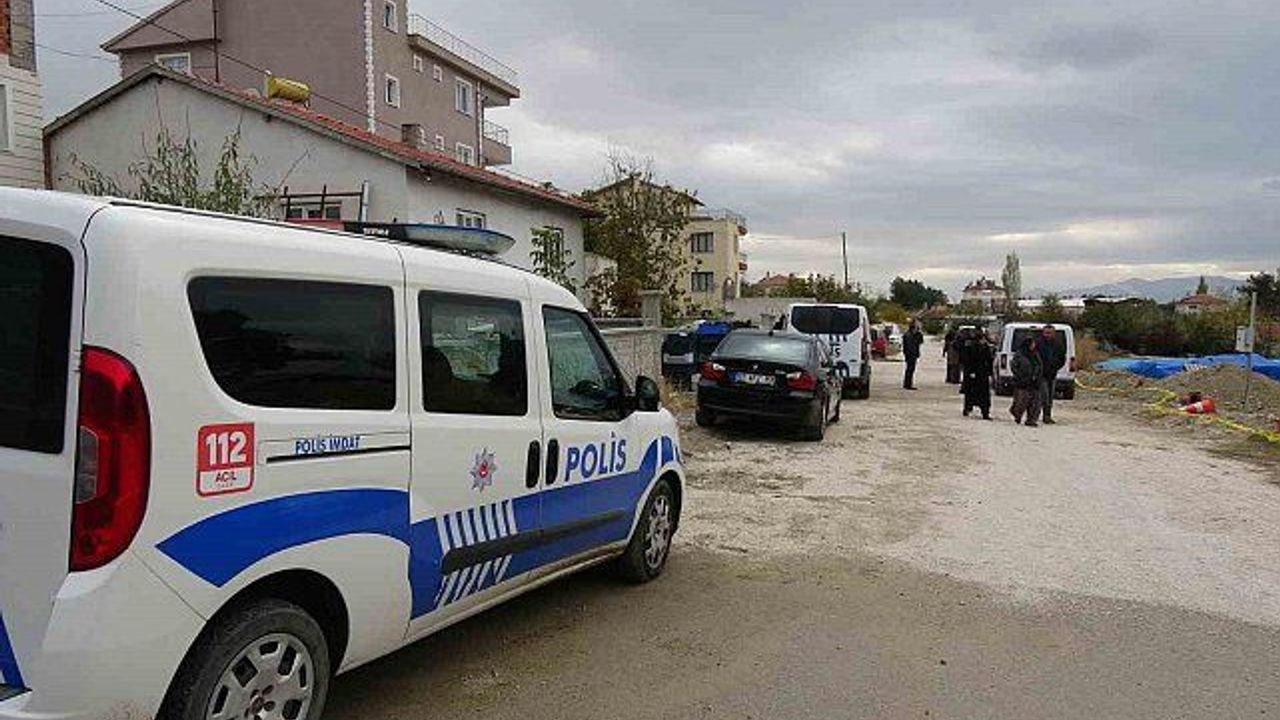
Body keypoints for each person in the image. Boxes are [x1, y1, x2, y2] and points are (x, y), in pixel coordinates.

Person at [1009, 336, 1044, 426]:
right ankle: (1017, 414)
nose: (1034, 345)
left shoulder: (1036, 354)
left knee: (1035, 403)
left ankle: (1031, 420)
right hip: (1022, 382)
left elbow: (1039, 366)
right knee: (1021, 402)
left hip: (1034, 382)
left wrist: (1037, 375)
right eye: (1032, 344)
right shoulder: (1019, 354)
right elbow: (1014, 366)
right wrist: (1019, 376)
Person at [1036, 325, 1066, 425]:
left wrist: (1055, 367)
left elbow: (1062, 359)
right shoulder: (1038, 343)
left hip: (1052, 374)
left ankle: (1047, 416)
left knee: (1050, 397)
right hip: (1041, 374)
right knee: (1044, 396)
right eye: (1046, 333)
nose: (1047, 335)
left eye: (1050, 333)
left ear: (1054, 333)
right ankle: (1035, 415)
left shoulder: (1058, 345)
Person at [962, 332, 995, 419]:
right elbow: (967, 360)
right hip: (973, 375)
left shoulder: (986, 347)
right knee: (970, 394)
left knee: (984, 395)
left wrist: (990, 372)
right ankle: (967, 409)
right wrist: (970, 371)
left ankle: (985, 412)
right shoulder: (970, 347)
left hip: (983, 375)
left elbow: (989, 360)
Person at [902, 320, 924, 390]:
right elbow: (910, 346)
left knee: (910, 369)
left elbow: (921, 341)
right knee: (910, 369)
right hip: (911, 354)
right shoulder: (909, 335)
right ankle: (908, 384)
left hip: (911, 354)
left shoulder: (914, 335)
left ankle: (907, 383)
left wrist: (918, 332)